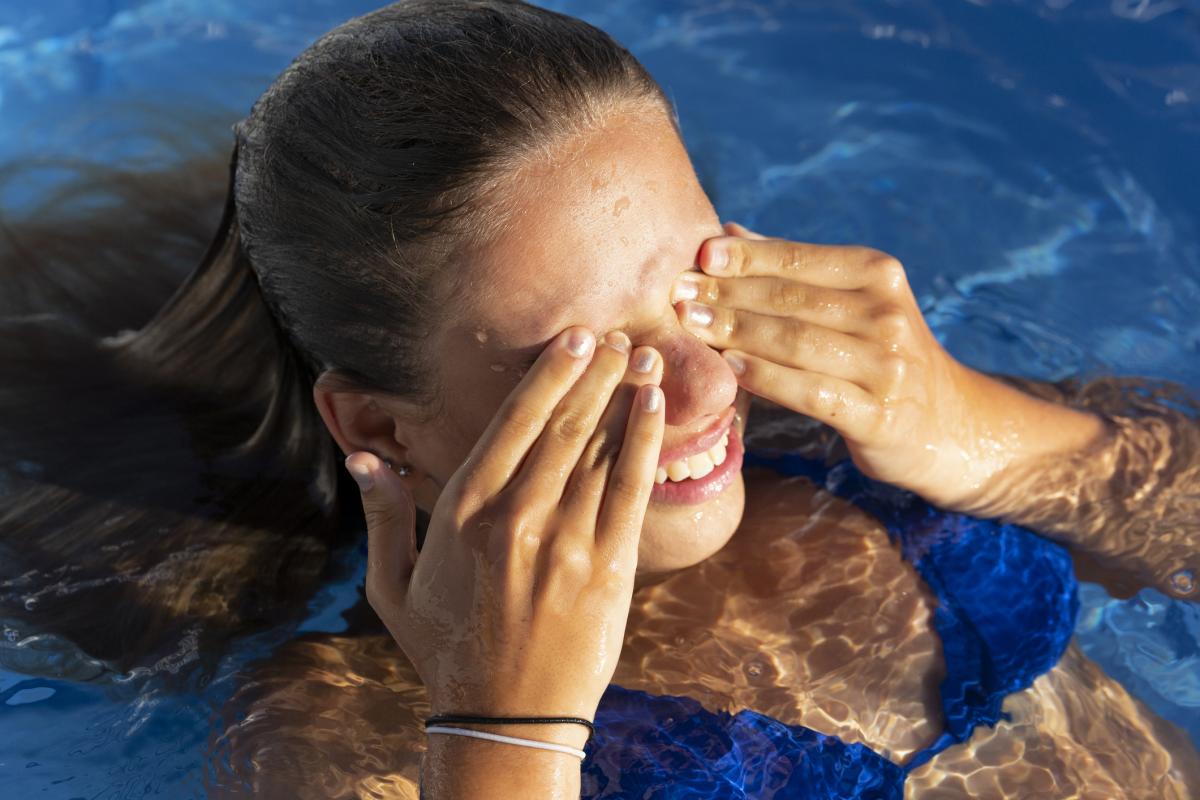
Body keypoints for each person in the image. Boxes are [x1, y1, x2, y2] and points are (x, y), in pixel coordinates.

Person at [2, 1, 1198, 797]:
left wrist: (984, 432)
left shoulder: (828, 425)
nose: (702, 385)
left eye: (692, 294)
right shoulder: (353, 720)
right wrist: (501, 726)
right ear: (377, 426)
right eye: (579, 358)